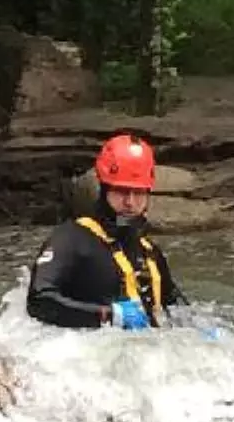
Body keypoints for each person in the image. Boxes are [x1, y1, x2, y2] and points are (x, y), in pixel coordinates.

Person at [26, 133, 187, 330]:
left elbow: (178, 309)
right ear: (104, 189)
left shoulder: (150, 253)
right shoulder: (71, 240)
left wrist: (204, 332)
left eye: (138, 193)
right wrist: (107, 315)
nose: (130, 202)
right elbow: (38, 301)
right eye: (121, 191)